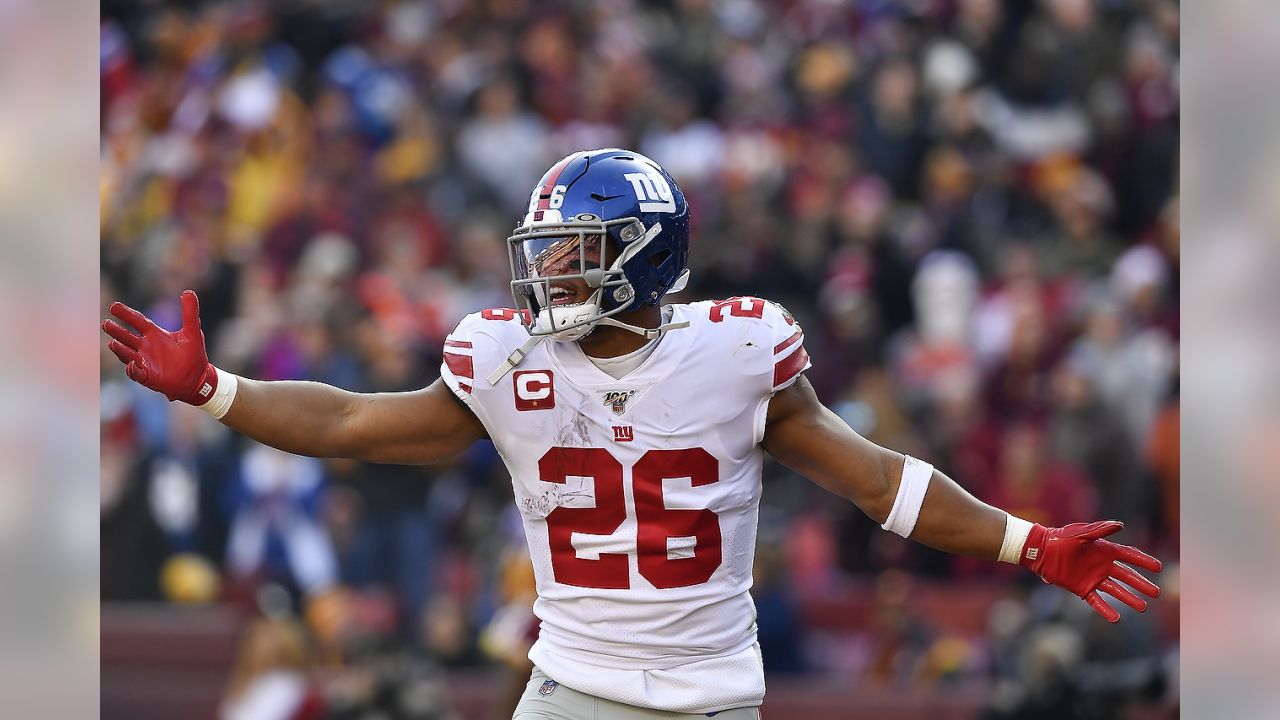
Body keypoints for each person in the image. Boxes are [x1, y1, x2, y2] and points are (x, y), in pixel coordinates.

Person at [103, 149, 1162, 719]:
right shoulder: (501, 356)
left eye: (571, 252)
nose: (543, 273)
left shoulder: (737, 355)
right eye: (544, 249)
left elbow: (879, 481)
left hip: (712, 700)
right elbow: (347, 420)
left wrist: (1028, 542)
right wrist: (214, 391)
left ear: (641, 258)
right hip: (574, 689)